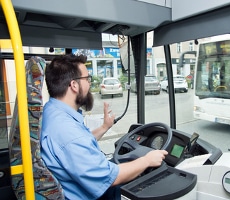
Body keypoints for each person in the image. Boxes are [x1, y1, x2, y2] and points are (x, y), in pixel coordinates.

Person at [40, 54, 168, 200]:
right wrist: (147, 160)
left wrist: (105, 126)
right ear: (74, 85)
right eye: (87, 79)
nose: (89, 84)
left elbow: (79, 144)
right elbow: (110, 178)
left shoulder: (52, 111)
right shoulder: (68, 132)